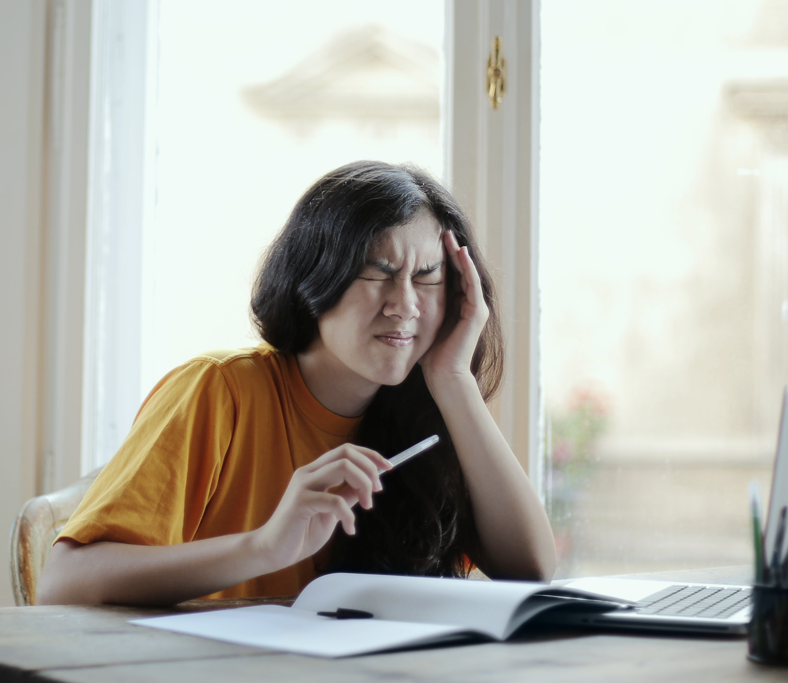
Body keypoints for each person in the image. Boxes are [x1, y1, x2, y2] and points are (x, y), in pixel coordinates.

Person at [37, 161, 556, 606]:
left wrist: (453, 377)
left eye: (428, 277)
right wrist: (264, 547)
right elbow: (62, 584)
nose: (405, 304)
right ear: (316, 276)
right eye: (377, 272)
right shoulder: (219, 390)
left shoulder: (429, 411)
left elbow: (530, 568)